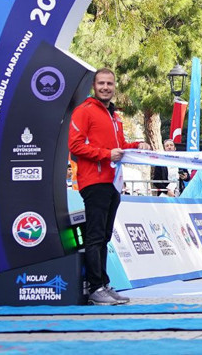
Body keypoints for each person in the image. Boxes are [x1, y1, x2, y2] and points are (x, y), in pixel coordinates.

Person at [69, 67, 150, 306]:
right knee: (95, 236)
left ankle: (103, 284)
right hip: (93, 181)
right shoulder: (84, 111)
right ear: (94, 86)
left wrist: (138, 145)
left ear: (115, 87)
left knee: (103, 236)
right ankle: (95, 288)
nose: (106, 87)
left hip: (113, 184)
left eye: (110, 84)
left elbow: (121, 145)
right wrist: (106, 155)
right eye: (102, 83)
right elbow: (74, 146)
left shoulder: (114, 116)